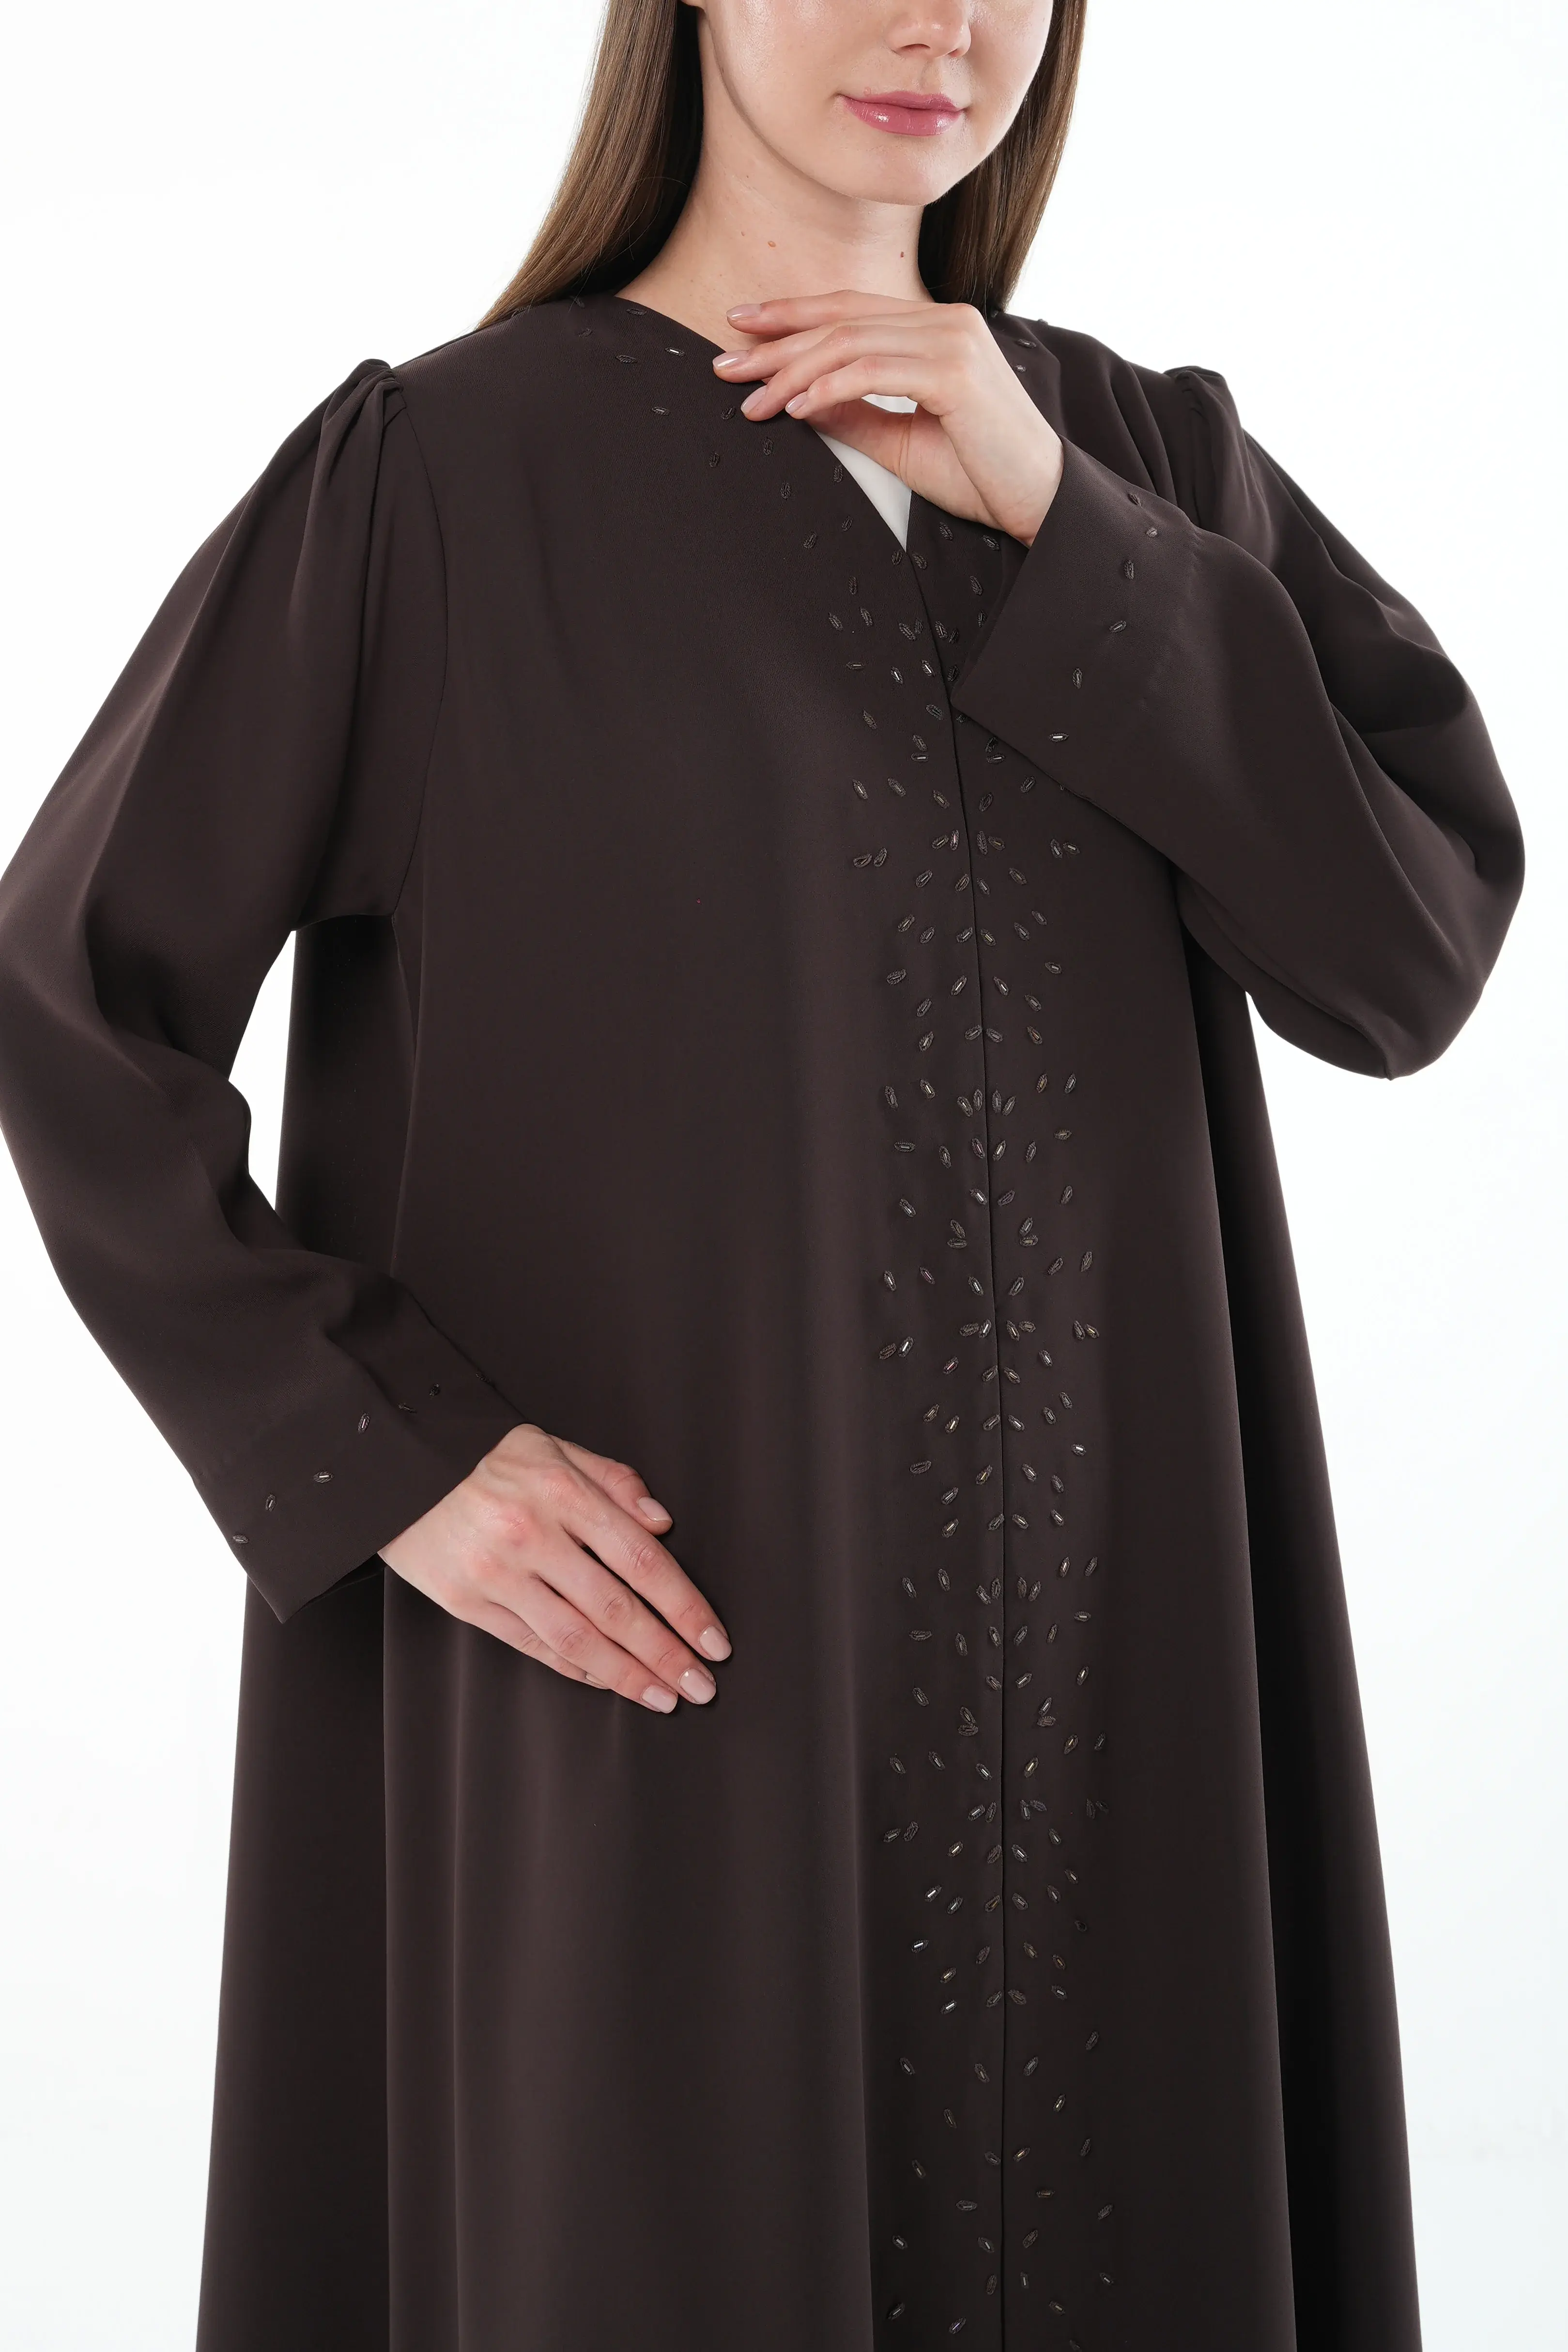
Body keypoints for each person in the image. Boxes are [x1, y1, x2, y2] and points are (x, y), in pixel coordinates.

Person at [0, 2, 1523, 2346]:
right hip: (653, 1685)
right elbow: (69, 992)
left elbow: (1398, 954)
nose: (942, 22)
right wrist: (384, 1452)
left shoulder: (1140, 462)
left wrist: (1059, 515)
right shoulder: (439, 478)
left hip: (1111, 1689)